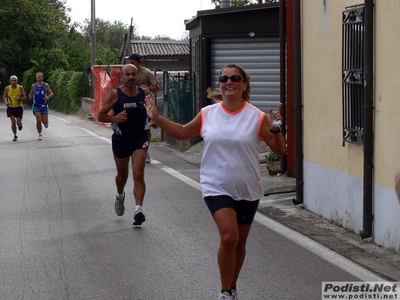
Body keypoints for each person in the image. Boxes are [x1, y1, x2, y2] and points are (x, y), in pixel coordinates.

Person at [144, 63, 286, 300]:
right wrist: (157, 118)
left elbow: (280, 150)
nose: (228, 82)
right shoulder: (208, 113)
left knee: (239, 244)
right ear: (220, 85)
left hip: (247, 187)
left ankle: (232, 287)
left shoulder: (257, 117)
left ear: (244, 85)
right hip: (215, 185)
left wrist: (276, 129)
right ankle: (224, 291)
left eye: (235, 78)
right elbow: (181, 132)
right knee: (229, 236)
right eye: (224, 79)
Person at [98, 64, 154, 226]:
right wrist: (115, 118)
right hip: (121, 139)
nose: (130, 77)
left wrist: (154, 120)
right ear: (122, 77)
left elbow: (153, 112)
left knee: (138, 173)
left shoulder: (145, 93)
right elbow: (101, 115)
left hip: (139, 138)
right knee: (122, 176)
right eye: (127, 74)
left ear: (138, 76)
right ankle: (120, 195)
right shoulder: (115, 95)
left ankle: (138, 210)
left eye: (133, 74)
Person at [126, 53, 160, 163]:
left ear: (137, 62)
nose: (129, 63)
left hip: (143, 104)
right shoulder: (127, 73)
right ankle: (133, 150)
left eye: (131, 61)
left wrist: (146, 88)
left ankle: (145, 151)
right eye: (129, 61)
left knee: (146, 128)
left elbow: (157, 87)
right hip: (130, 103)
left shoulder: (146, 73)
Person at [28, 71, 54, 140]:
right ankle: (40, 134)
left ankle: (46, 122)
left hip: (44, 106)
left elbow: (51, 93)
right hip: (36, 105)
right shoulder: (33, 85)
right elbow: (31, 94)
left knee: (44, 122)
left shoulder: (45, 85)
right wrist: (30, 96)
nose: (38, 77)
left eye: (40, 76)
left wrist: (47, 97)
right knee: (38, 120)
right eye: (37, 76)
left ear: (42, 77)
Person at [3, 75, 26, 141]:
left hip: (19, 107)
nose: (13, 82)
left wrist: (20, 98)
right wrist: (5, 102)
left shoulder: (20, 88)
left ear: (17, 81)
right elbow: (4, 96)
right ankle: (15, 135)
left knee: (18, 123)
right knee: (13, 122)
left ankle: (20, 124)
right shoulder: (7, 88)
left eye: (15, 81)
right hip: (10, 107)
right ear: (10, 81)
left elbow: (24, 97)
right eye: (12, 81)